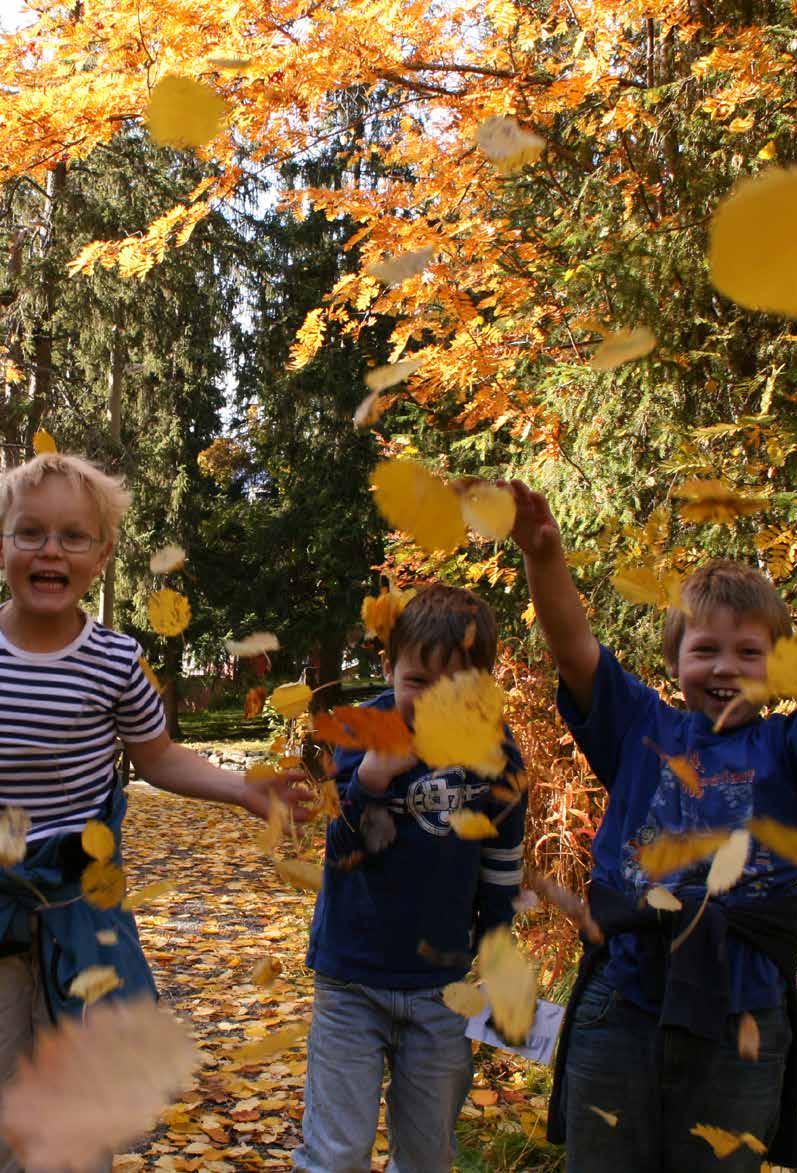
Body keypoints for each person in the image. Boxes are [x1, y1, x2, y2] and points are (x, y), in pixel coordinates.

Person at [0, 451, 310, 1173]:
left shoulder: (113, 660)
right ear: (3, 543)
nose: (51, 549)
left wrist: (243, 790)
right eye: (30, 532)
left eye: (73, 536)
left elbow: (158, 754)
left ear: (102, 554)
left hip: (79, 905)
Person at [509, 480, 797, 1173]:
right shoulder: (640, 725)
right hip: (621, 1000)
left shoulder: (791, 747)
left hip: (741, 1016)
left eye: (751, 653)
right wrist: (544, 557)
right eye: (707, 649)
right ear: (676, 659)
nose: (726, 667)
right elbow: (574, 648)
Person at [293, 583, 527, 1173]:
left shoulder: (496, 754)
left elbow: (502, 860)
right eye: (417, 683)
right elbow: (339, 850)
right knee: (336, 1154)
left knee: (426, 1156)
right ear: (390, 669)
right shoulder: (360, 733)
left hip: (441, 986)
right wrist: (370, 779)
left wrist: (497, 949)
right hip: (352, 977)